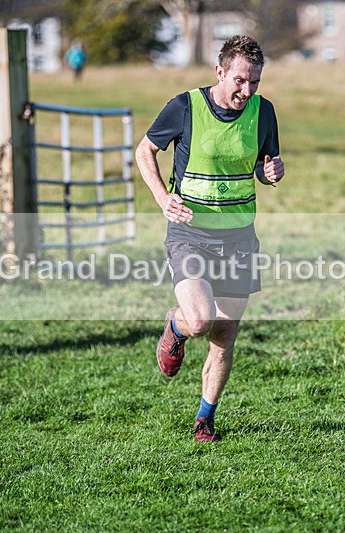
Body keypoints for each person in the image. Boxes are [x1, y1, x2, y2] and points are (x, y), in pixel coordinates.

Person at [135, 35, 285, 443]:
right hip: (190, 234)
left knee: (224, 335)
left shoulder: (263, 112)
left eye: (254, 81)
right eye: (239, 80)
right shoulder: (185, 106)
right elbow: (144, 151)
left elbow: (262, 164)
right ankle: (175, 327)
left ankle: (205, 419)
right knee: (200, 320)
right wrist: (162, 198)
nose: (247, 90)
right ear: (219, 72)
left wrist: (271, 171)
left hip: (239, 239)